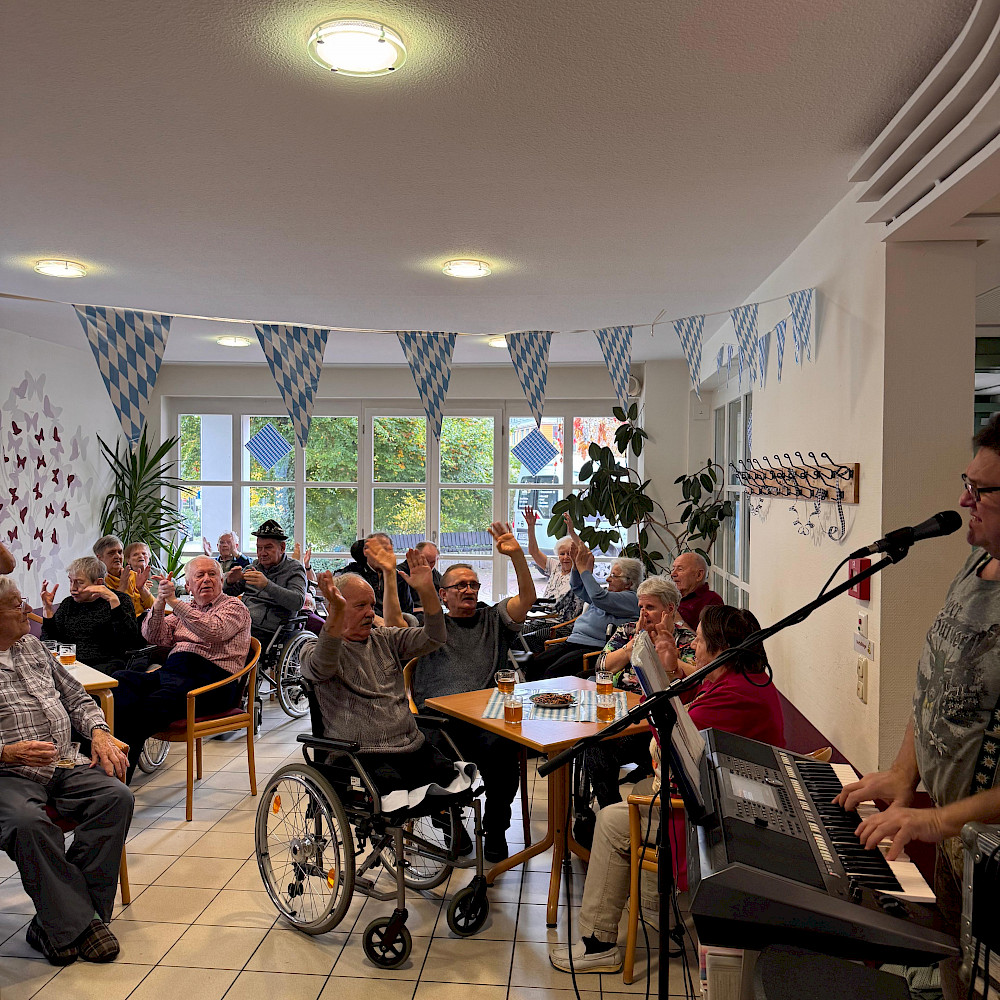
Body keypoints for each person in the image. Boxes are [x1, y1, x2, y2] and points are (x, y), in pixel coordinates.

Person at [835, 416, 1000, 1000]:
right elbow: (936, 680)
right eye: (966, 482)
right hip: (958, 842)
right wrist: (906, 772)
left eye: (979, 489)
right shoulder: (976, 566)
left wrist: (933, 821)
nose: (963, 500)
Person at [550, 604, 784, 974]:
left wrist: (656, 682)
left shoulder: (735, 696)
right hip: (721, 796)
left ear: (721, 651)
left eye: (700, 641)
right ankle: (654, 909)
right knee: (637, 790)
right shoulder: (744, 681)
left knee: (611, 821)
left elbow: (671, 735)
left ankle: (599, 944)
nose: (696, 649)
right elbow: (692, 707)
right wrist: (671, 669)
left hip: (718, 816)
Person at [0, 577, 133, 966]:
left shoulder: (32, 647)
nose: (28, 610)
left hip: (61, 760)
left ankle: (57, 923)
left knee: (116, 797)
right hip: (9, 772)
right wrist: (6, 752)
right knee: (27, 823)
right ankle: (84, 923)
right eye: (16, 605)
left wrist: (99, 733)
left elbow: (77, 697)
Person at [299, 556, 476, 812]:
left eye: (372, 605)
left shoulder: (384, 638)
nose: (371, 612)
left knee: (457, 783)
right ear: (334, 606)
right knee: (401, 795)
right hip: (360, 757)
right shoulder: (312, 647)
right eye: (360, 605)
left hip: (411, 748)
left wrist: (427, 592)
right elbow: (323, 666)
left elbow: (435, 638)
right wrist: (336, 613)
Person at [411, 522, 537, 862]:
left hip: (485, 718)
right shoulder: (430, 626)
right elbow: (394, 623)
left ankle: (496, 830)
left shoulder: (493, 619)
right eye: (460, 585)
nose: (469, 589)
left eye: (473, 584)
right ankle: (449, 824)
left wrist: (517, 556)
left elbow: (527, 598)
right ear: (443, 594)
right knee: (428, 757)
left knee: (505, 754)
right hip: (439, 719)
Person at [113, 556, 251, 782]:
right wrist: (160, 601)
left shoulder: (234, 607)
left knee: (144, 710)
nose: (206, 579)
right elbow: (153, 636)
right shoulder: (185, 610)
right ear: (188, 586)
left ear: (222, 580)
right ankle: (108, 776)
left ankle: (118, 783)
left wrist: (175, 602)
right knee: (119, 682)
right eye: (199, 575)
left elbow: (213, 631)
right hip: (175, 673)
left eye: (212, 574)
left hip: (214, 682)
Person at [581, 575, 696, 812]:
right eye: (641, 606)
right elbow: (602, 666)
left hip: (655, 726)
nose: (643, 613)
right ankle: (608, 810)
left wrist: (667, 654)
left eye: (650, 607)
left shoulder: (686, 640)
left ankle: (614, 814)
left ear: (669, 609)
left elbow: (694, 679)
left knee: (600, 747)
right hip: (619, 713)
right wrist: (633, 645)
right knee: (592, 743)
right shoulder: (628, 631)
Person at [528, 528, 642, 680]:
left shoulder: (632, 599)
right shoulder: (606, 594)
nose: (607, 579)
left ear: (629, 582)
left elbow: (598, 597)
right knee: (535, 665)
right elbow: (578, 588)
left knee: (553, 672)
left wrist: (584, 570)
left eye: (614, 576)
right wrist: (576, 567)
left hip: (593, 648)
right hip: (574, 640)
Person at [39, 557, 142, 670]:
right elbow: (49, 643)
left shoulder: (120, 600)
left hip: (108, 663)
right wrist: (47, 609)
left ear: (98, 583)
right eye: (71, 581)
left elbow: (129, 641)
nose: (73, 588)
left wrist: (114, 602)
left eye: (80, 582)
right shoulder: (68, 604)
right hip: (71, 664)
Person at [222, 520, 307, 648]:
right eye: (259, 548)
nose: (262, 553)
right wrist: (229, 582)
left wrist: (267, 585)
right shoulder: (254, 567)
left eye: (268, 547)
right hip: (241, 623)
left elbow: (298, 602)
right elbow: (228, 595)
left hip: (271, 632)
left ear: (282, 548)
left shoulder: (294, 569)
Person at [342, 533, 414, 618]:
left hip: (395, 623)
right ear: (365, 551)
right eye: (377, 549)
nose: (382, 554)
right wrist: (378, 620)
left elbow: (408, 610)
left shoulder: (399, 576)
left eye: (386, 550)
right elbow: (349, 609)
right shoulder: (353, 575)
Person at [93, 535, 154, 617]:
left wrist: (142, 589)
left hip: (143, 620)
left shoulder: (134, 575)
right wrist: (123, 586)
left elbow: (153, 606)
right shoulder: (98, 581)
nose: (117, 556)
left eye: (120, 552)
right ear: (99, 558)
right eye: (111, 553)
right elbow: (109, 613)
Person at [670, 551, 723, 630]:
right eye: (673, 569)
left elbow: (707, 638)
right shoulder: (670, 595)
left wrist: (679, 622)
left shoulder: (712, 601)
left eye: (680, 569)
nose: (673, 574)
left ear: (699, 575)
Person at [397, 541, 442, 608]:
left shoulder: (435, 573)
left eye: (432, 562)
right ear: (415, 556)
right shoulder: (399, 573)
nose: (428, 566)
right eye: (425, 561)